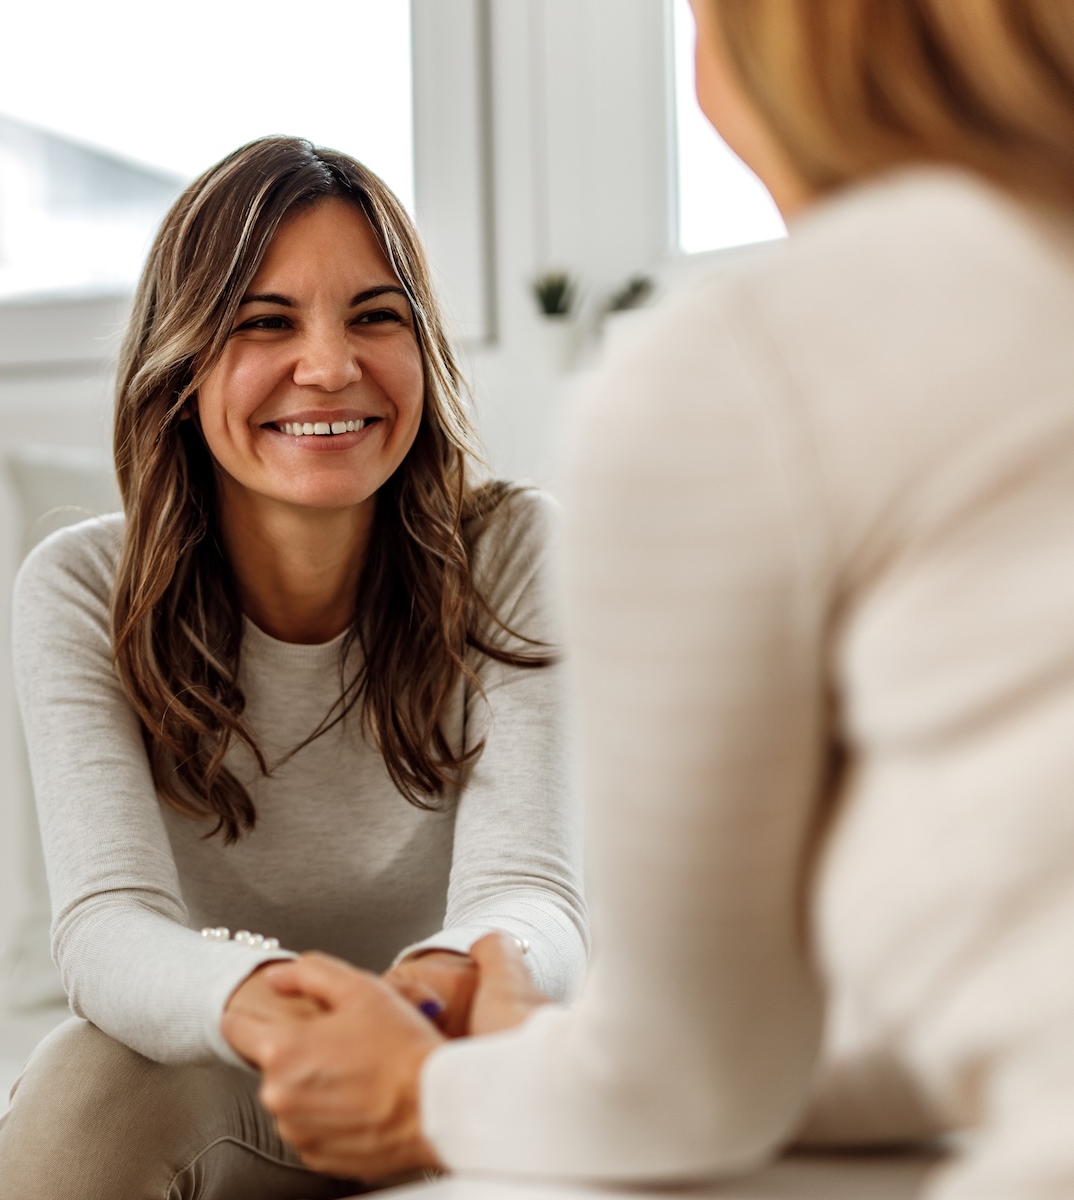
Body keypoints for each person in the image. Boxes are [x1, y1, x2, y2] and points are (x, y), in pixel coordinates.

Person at [225, 4, 1074, 1198]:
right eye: (265, 322)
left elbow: (687, 1085)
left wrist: (425, 1092)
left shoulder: (748, 369)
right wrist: (543, 1059)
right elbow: (991, 1009)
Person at [0, 137, 587, 1199]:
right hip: (241, 1066)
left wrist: (424, 1002)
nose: (329, 366)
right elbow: (106, 928)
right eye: (266, 322)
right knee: (85, 1089)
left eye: (374, 316)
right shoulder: (79, 588)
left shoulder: (514, 551)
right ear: (181, 366)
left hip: (459, 1057)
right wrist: (270, 1001)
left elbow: (527, 893)